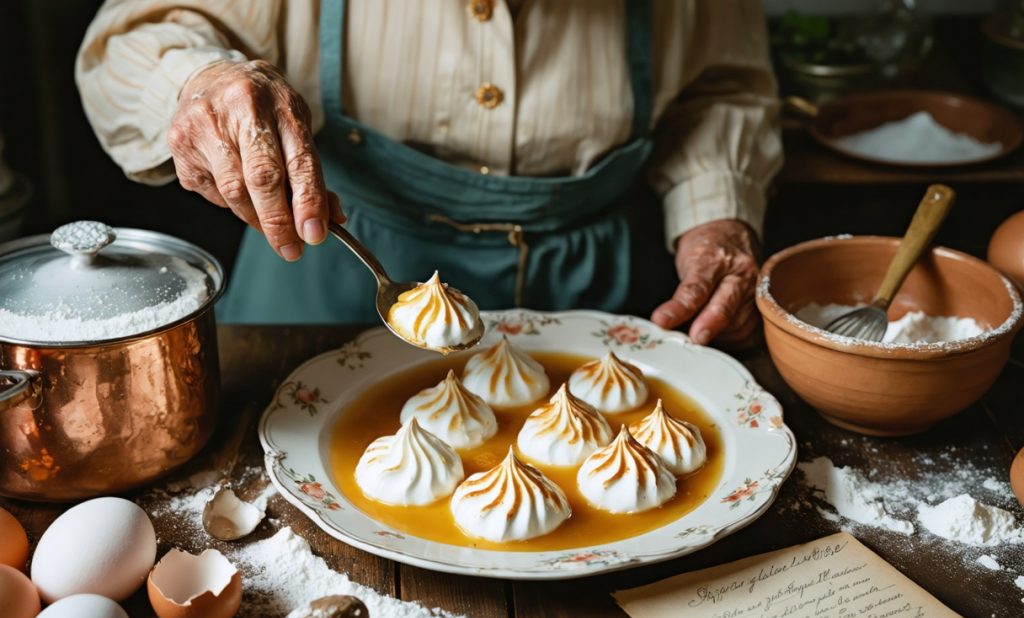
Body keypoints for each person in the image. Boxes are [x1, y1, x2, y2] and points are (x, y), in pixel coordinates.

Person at [77, 0, 782, 346]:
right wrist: (201, 83)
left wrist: (715, 211)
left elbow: (721, 89)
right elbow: (132, 40)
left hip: (604, 296)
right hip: (327, 273)